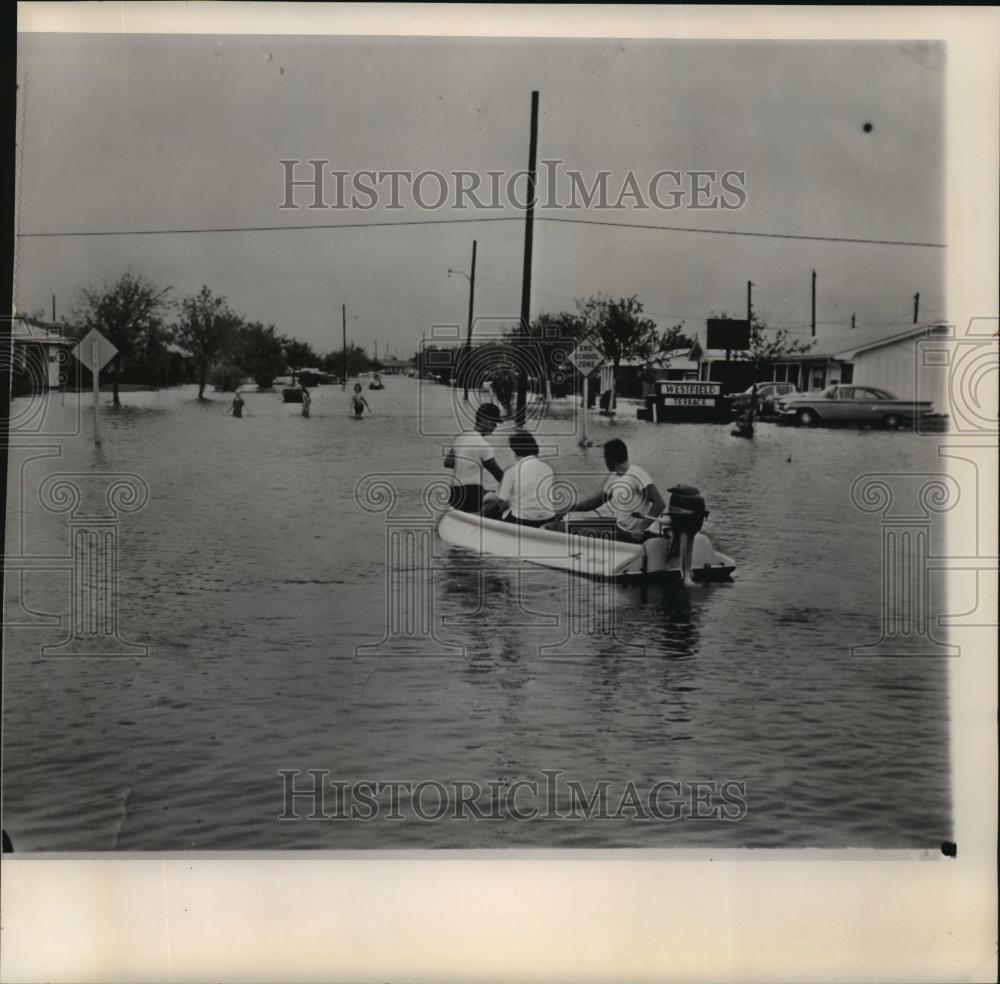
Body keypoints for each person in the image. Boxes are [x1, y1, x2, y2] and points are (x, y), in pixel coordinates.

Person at [553, 438, 666, 542]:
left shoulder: (637, 474)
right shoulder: (614, 477)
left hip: (631, 534)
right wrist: (569, 508)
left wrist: (641, 528)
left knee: (583, 533)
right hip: (619, 527)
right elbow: (596, 502)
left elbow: (659, 503)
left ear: (609, 459)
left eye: (604, 458)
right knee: (568, 525)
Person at [443, 403, 504, 513]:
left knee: (487, 493)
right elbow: (499, 476)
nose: (495, 426)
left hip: (454, 494)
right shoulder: (484, 445)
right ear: (483, 420)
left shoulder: (460, 437)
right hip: (472, 495)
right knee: (498, 502)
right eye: (493, 421)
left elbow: (448, 463)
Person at [490, 431, 556, 527]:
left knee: (493, 510)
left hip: (522, 520)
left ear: (514, 450)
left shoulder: (512, 470)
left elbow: (501, 501)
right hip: (548, 518)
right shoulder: (548, 468)